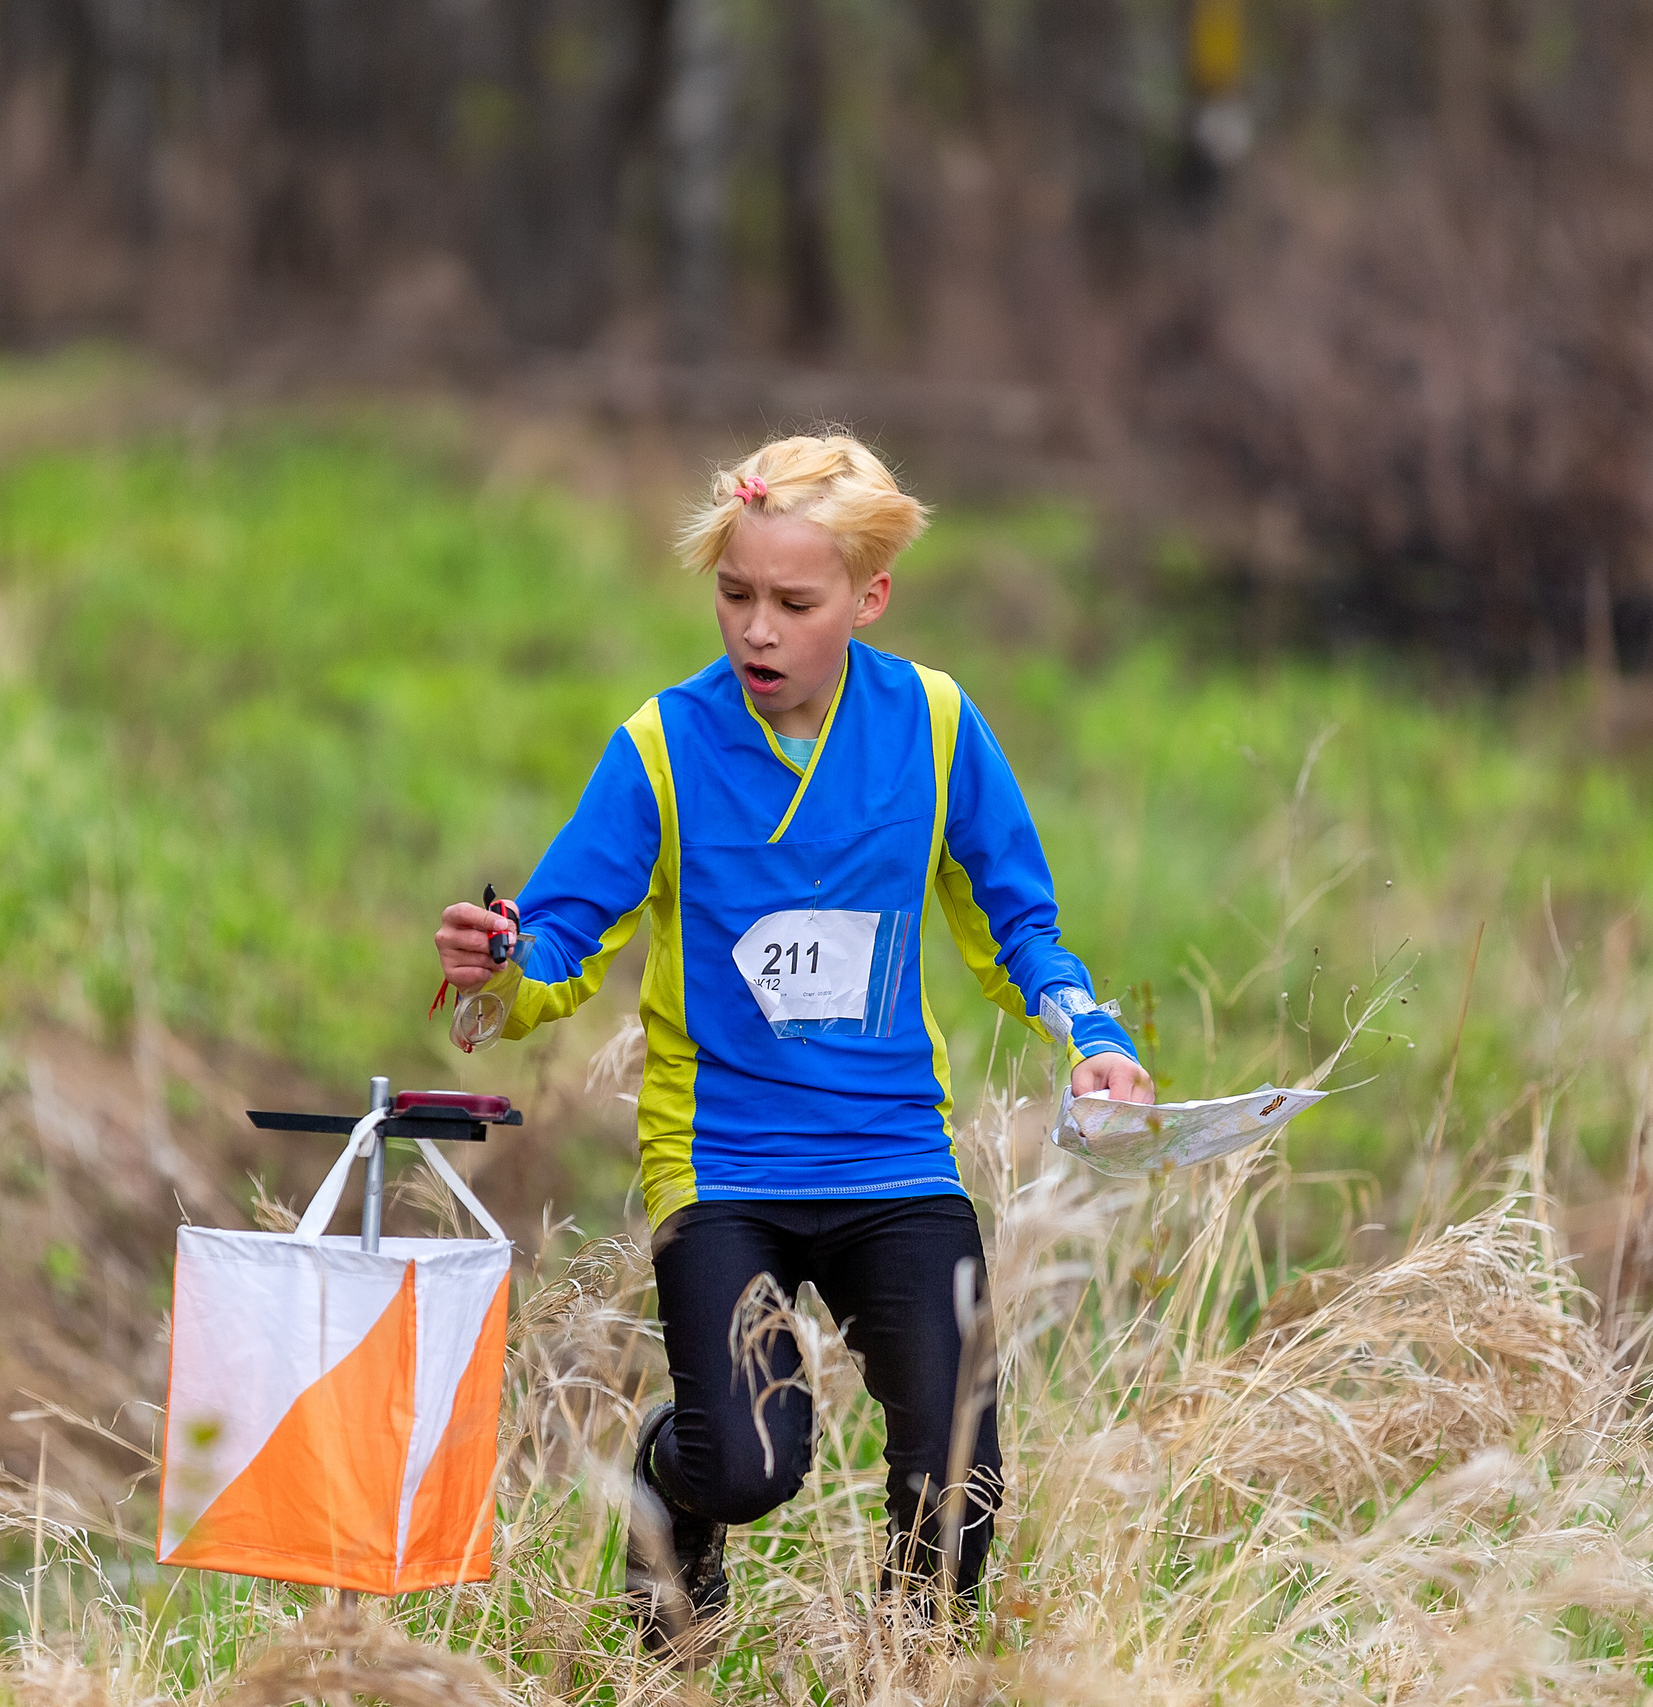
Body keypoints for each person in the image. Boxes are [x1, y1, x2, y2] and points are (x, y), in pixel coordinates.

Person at [432, 433, 1150, 1659]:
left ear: (868, 600)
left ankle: (906, 1674)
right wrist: (501, 965)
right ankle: (674, 1479)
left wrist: (1089, 1035)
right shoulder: (660, 746)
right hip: (724, 1172)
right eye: (734, 596)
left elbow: (1015, 919)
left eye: (791, 603)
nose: (755, 631)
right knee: (750, 1465)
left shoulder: (932, 724)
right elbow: (558, 937)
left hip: (892, 1161)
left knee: (959, 1467)